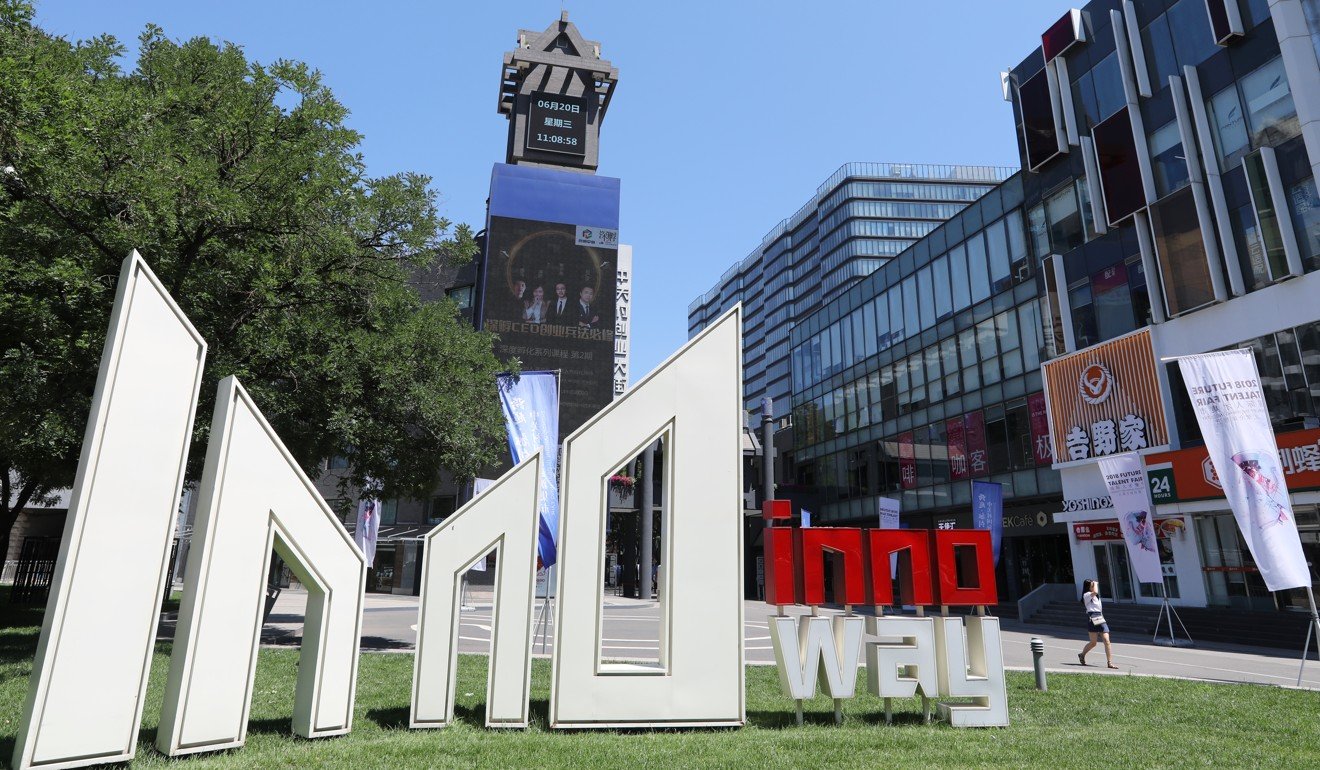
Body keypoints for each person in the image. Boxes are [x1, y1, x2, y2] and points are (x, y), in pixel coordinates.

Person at [1078, 579, 1118, 669]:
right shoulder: (1087, 595)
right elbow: (1095, 591)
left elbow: (1099, 608)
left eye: (1094, 585)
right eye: (1092, 585)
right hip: (1092, 617)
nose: (1094, 586)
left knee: (1107, 641)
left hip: (1100, 617)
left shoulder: (1096, 597)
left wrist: (1103, 618)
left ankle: (1109, 662)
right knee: (1093, 643)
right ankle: (1082, 654)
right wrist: (1096, 583)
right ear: (1089, 587)